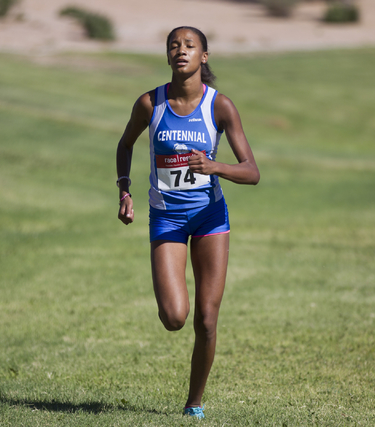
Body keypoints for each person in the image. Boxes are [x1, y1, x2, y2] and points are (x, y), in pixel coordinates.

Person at [116, 26, 260, 419]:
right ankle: (191, 389)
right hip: (167, 218)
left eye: (190, 45)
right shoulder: (150, 103)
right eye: (174, 46)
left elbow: (252, 171)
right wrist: (124, 191)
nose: (181, 51)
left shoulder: (220, 106)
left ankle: (194, 402)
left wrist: (216, 166)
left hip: (211, 217)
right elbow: (125, 143)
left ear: (204, 56)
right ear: (167, 57)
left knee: (207, 318)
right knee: (174, 317)